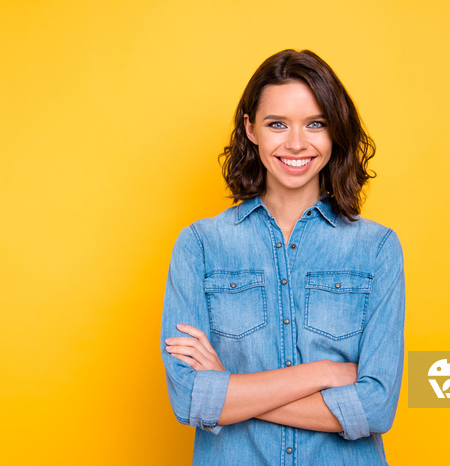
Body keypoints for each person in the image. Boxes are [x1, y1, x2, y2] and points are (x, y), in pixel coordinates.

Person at [160, 49, 405, 465]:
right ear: (251, 128)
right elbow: (190, 399)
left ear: (335, 132)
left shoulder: (377, 249)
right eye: (277, 124)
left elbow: (376, 407)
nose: (296, 143)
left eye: (315, 124)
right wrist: (323, 374)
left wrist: (229, 388)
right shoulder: (199, 245)